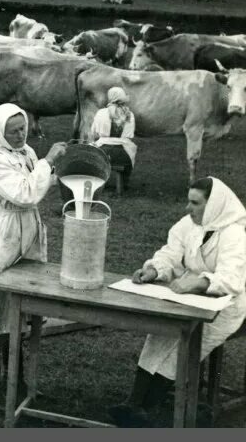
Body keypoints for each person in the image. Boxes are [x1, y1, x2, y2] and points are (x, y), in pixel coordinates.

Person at [110, 177, 246, 427]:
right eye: (188, 201)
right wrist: (153, 270)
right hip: (188, 300)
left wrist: (199, 282)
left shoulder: (234, 233)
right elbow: (170, 255)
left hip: (226, 307)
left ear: (214, 206)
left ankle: (146, 407)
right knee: (161, 334)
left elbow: (232, 280)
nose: (188, 208)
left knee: (186, 342)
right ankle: (133, 403)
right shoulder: (189, 224)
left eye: (195, 203)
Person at [0, 103, 67, 410]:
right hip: (3, 236)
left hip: (27, 233)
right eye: (14, 131)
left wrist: (54, 169)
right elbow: (25, 194)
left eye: (23, 128)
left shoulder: (26, 154)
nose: (21, 135)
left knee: (20, 308)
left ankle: (18, 381)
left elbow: (40, 184)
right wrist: (48, 161)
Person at [90, 86, 136, 189]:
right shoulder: (129, 115)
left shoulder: (101, 113)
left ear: (110, 97)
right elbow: (130, 136)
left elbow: (94, 133)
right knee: (130, 150)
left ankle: (97, 181)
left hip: (102, 152)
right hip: (123, 155)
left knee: (92, 151)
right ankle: (124, 183)